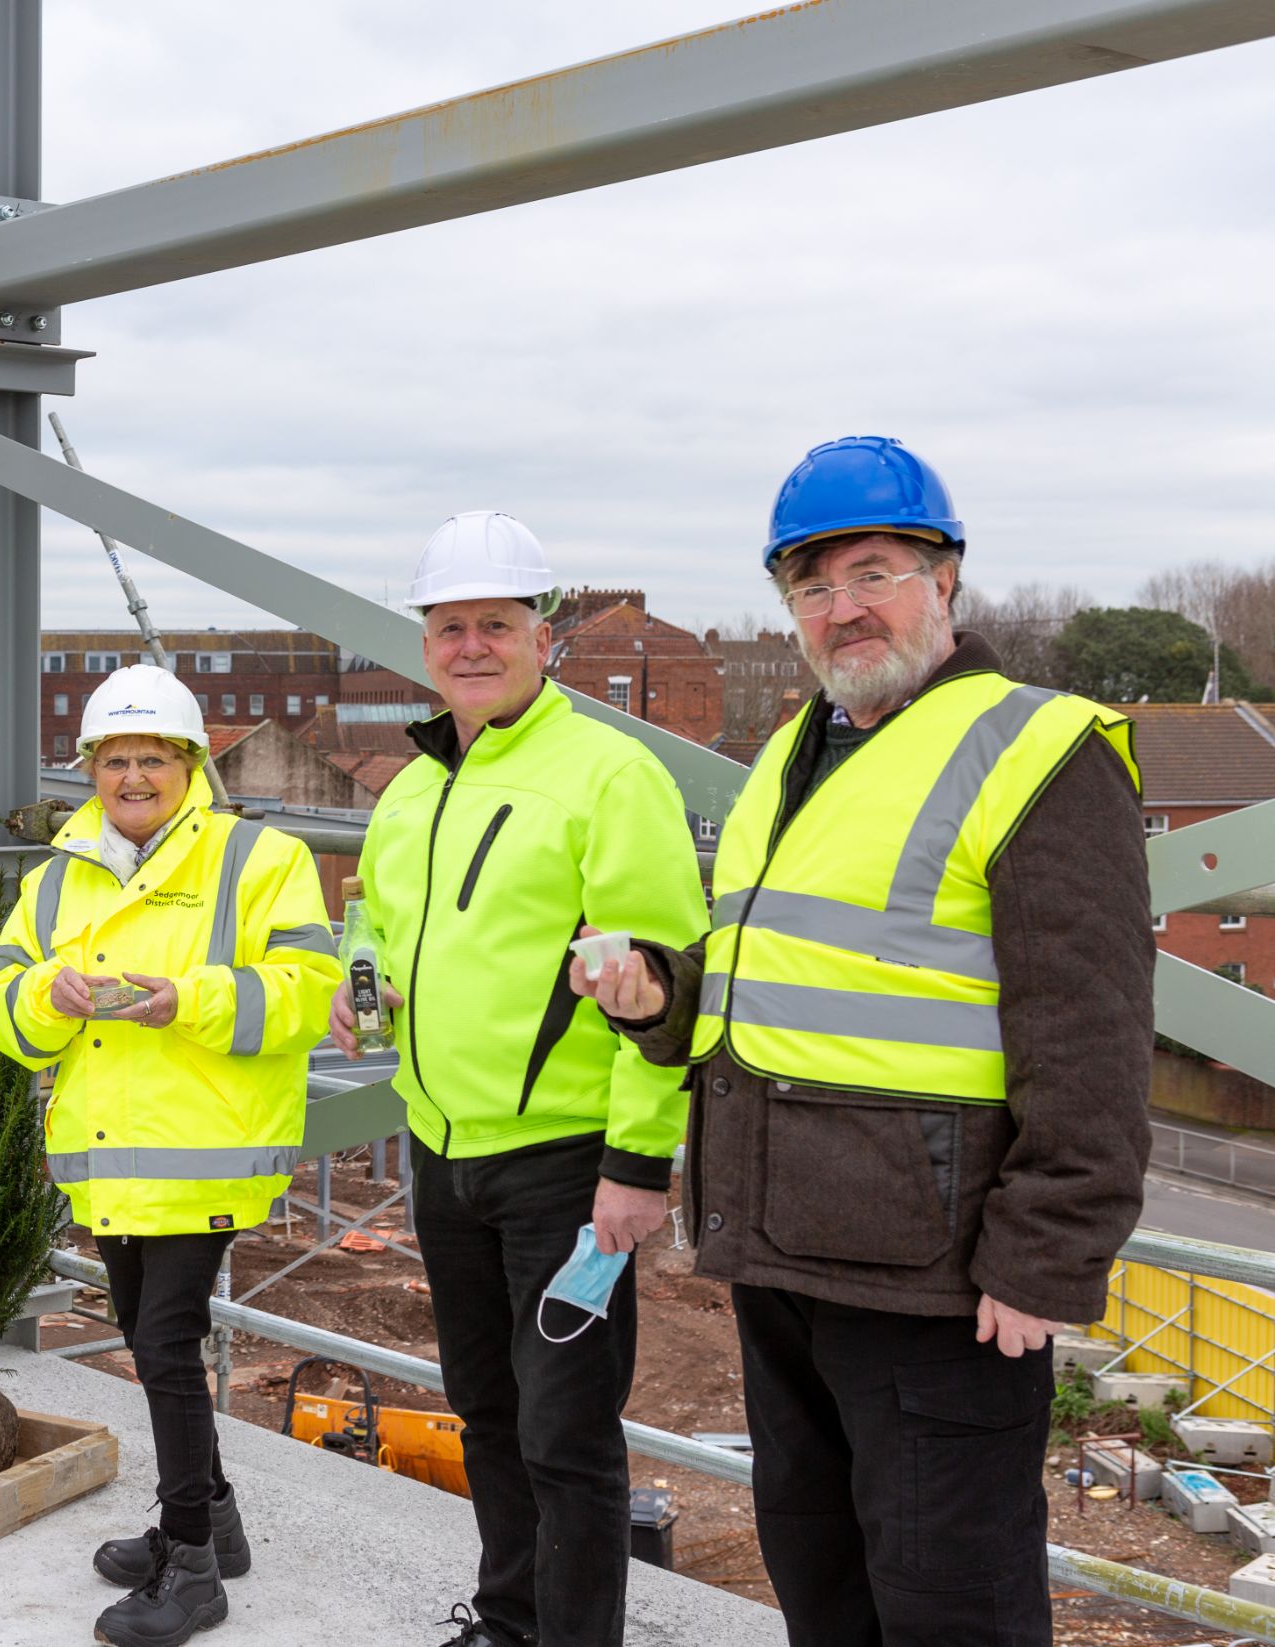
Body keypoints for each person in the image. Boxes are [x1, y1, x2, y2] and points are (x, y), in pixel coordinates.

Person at [572, 436, 1152, 1647]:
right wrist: (661, 1000)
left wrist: (1044, 1254)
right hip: (784, 1262)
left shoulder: (1037, 749)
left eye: (874, 572)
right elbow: (779, 974)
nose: (844, 609)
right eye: (813, 586)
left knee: (953, 1609)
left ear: (947, 580)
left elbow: (1091, 1037)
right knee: (821, 1584)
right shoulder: (798, 750)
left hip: (937, 1286)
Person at [331, 512, 708, 1647]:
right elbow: (387, 932)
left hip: (562, 1169)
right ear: (426, 643)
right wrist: (369, 983)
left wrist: (637, 1167)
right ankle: (507, 1621)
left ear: (543, 637)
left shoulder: (610, 776)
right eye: (450, 627)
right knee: (486, 1416)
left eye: (496, 623)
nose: (471, 646)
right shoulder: (410, 791)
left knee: (568, 1437)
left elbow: (665, 986)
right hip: (444, 1156)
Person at [0, 664, 342, 1647]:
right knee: (150, 1337)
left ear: (191, 767)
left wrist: (187, 999)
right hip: (108, 1153)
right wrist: (43, 999)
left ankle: (190, 1564)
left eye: (152, 759)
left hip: (206, 1149)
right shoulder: (58, 875)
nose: (132, 778)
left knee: (167, 1348)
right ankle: (212, 1521)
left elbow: (306, 992)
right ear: (89, 769)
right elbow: (3, 999)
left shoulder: (257, 860)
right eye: (114, 760)